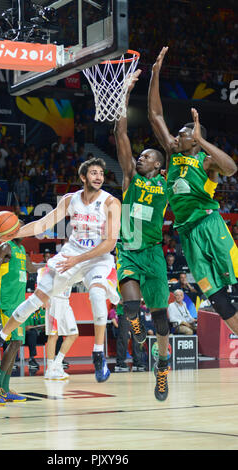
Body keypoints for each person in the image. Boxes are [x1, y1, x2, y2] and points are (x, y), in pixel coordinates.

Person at [0, 157, 121, 383]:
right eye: (93, 173)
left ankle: (98, 354)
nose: (99, 177)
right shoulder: (70, 199)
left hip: (97, 259)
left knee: (97, 294)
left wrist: (77, 260)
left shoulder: (111, 203)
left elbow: (110, 243)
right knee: (36, 299)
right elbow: (43, 224)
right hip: (71, 254)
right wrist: (13, 234)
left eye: (101, 173)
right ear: (83, 177)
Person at [148, 47, 238, 342]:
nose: (176, 137)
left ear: (195, 139)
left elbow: (231, 168)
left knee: (234, 287)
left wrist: (202, 140)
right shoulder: (173, 155)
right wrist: (155, 73)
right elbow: (155, 114)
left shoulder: (206, 160)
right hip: (188, 234)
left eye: (183, 134)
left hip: (210, 225)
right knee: (215, 297)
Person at [113, 70, 171, 401]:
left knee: (161, 320)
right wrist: (123, 94)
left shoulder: (165, 184)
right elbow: (120, 133)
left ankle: (162, 365)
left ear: (159, 165)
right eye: (141, 155)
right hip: (130, 249)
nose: (141, 157)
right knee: (132, 308)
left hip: (154, 253)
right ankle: (137, 329)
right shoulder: (130, 178)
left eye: (147, 155)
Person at [0, 237, 42, 405]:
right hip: (7, 302)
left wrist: (50, 265)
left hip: (20, 304)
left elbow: (31, 267)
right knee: (14, 342)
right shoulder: (5, 246)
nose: (22, 229)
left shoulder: (21, 250)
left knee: (16, 344)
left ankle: (5, 389)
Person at [114, 299, 147, 373]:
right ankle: (120, 363)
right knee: (124, 337)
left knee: (137, 337)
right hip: (124, 312)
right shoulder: (120, 287)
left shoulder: (136, 287)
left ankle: (137, 362)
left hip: (135, 313)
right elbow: (116, 300)